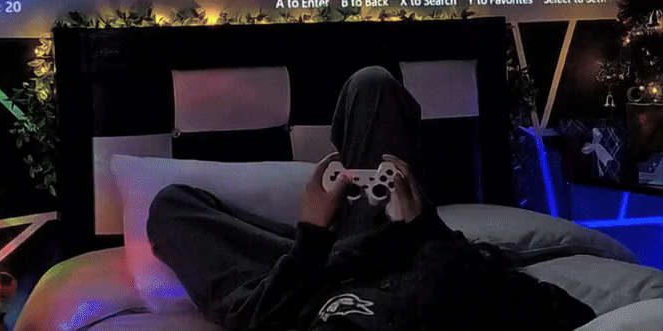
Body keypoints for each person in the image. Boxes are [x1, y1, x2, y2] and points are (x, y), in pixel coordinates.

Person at [147, 66, 597, 331]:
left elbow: (257, 319)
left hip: (304, 276)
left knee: (171, 207)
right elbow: (567, 311)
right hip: (399, 247)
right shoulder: (458, 298)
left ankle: (344, 236)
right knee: (373, 85)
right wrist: (423, 230)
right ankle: (359, 233)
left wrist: (311, 239)